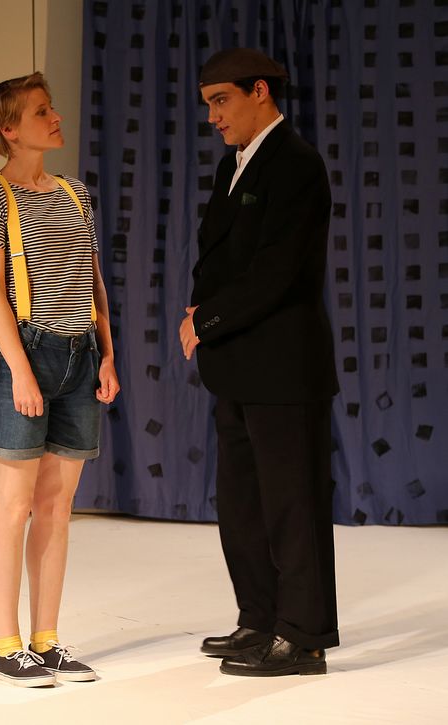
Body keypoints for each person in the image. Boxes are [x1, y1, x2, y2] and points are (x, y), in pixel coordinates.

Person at [179, 48, 339, 677]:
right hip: (238, 365)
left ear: (261, 92)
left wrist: (205, 321)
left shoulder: (296, 164)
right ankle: (261, 620)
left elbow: (278, 272)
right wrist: (203, 313)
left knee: (293, 506)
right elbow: (220, 259)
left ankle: (303, 638)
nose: (213, 116)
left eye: (221, 100)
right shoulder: (233, 166)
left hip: (283, 366)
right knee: (243, 505)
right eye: (208, 105)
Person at [0, 72, 119, 687]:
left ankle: (46, 639)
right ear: (9, 130)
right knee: (13, 506)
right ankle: (7, 646)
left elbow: (92, 281)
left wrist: (107, 354)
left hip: (79, 354)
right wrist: (21, 373)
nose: (55, 118)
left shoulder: (76, 193)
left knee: (57, 506)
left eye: (51, 109)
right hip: (23, 355)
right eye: (40, 112)